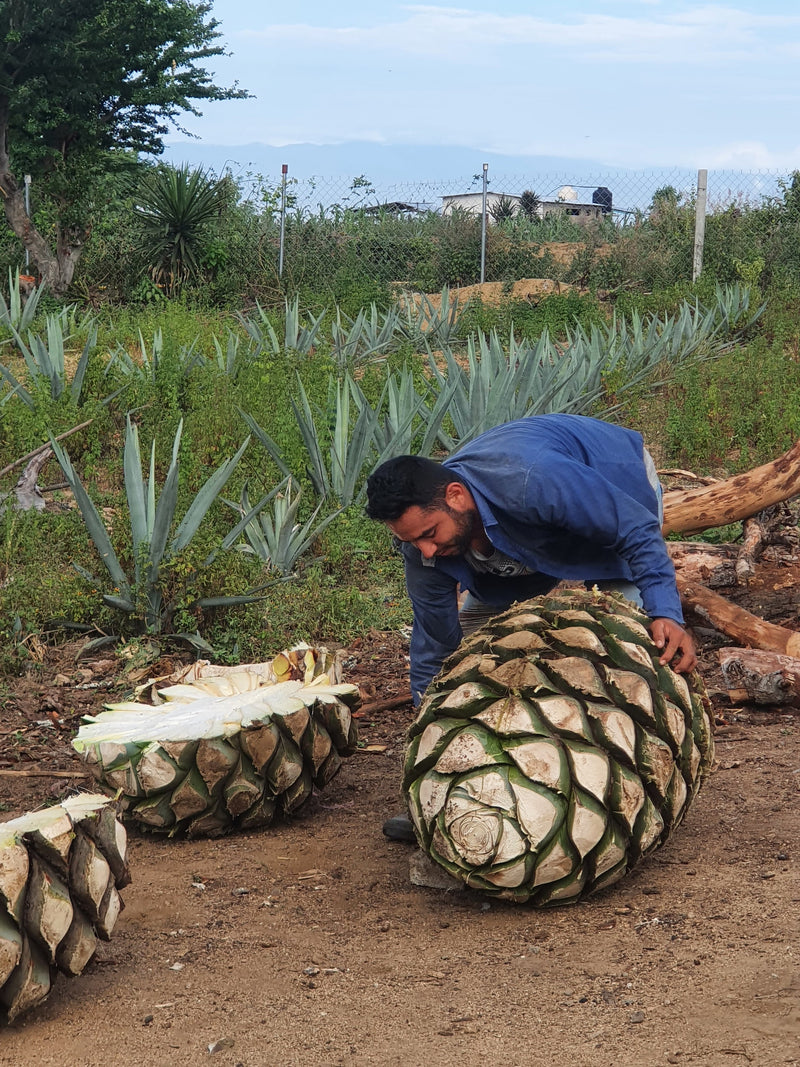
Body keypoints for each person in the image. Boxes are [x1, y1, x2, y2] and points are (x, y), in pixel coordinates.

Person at [365, 414, 696, 840]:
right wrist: (431, 738)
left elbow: (633, 529)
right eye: (411, 541)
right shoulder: (424, 547)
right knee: (472, 660)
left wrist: (666, 612)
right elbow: (435, 644)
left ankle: (632, 797)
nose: (425, 550)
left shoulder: (532, 480)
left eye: (429, 533)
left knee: (629, 649)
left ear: (456, 496)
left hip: (611, 481)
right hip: (516, 539)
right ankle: (452, 798)